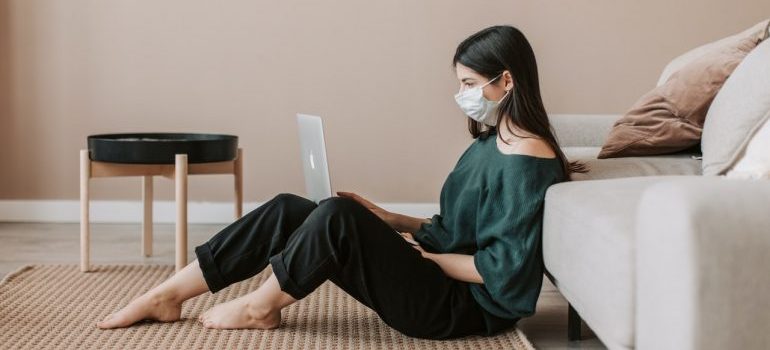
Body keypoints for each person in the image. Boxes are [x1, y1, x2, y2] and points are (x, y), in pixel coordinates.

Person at [96, 24, 587, 340]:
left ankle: (260, 307)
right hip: (438, 276)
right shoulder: (491, 142)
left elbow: (502, 271)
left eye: (467, 84)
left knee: (336, 217)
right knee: (293, 207)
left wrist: (422, 257)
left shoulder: (526, 161)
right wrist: (389, 219)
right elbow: (457, 226)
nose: (460, 95)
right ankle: (167, 295)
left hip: (462, 309)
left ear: (505, 81)